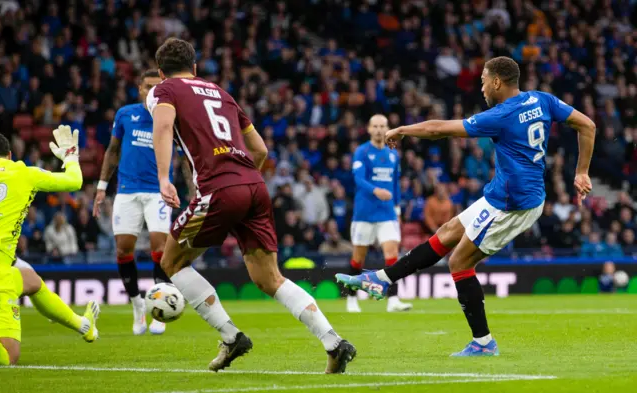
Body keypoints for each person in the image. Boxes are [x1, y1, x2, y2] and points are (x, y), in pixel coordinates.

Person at [336, 56, 596, 356]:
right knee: (447, 232)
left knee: (459, 262)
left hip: (513, 205)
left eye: (484, 80)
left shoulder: (500, 115)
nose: (482, 87)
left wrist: (403, 129)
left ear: (497, 81)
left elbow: (437, 129)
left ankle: (483, 343)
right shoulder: (542, 99)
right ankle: (382, 279)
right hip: (505, 194)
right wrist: (581, 171)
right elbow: (586, 125)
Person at [148, 38, 355, 373]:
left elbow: (163, 126)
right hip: (254, 184)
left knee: (171, 261)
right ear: (196, 67)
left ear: (160, 72)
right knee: (269, 278)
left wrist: (162, 178)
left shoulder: (164, 91)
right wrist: (241, 184)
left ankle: (230, 336)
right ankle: (333, 342)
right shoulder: (220, 92)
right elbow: (259, 150)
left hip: (218, 187)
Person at [0, 127, 100, 365]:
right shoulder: (24, 173)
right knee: (9, 358)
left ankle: (84, 326)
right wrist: (71, 156)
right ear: (11, 155)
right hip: (0, 269)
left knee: (31, 281)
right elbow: (75, 180)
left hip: (6, 265)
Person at [93, 70, 177, 336]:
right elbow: (113, 151)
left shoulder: (171, 116)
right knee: (123, 251)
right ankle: (137, 304)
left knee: (160, 247)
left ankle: (159, 308)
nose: (152, 91)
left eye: (157, 87)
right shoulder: (125, 114)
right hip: (127, 191)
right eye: (148, 87)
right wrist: (101, 187)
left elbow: (185, 156)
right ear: (140, 89)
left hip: (157, 191)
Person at [345, 114, 412, 313]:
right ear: (368, 129)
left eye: (382, 126)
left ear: (388, 128)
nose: (379, 130)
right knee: (358, 258)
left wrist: (397, 209)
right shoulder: (362, 151)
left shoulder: (393, 154)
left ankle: (393, 300)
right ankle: (351, 300)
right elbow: (358, 179)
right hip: (364, 213)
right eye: (375, 126)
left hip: (387, 213)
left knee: (392, 256)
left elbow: (395, 185)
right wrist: (376, 191)